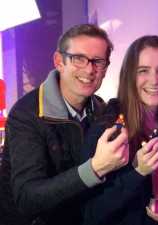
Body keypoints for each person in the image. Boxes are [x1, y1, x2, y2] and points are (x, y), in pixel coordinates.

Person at [0, 24, 129, 225]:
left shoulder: (101, 110)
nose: (89, 69)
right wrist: (95, 168)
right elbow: (27, 198)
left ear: (106, 68)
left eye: (98, 61)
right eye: (78, 59)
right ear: (59, 62)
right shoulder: (26, 114)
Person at [81, 35, 158, 225]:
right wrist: (138, 172)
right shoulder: (107, 131)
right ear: (130, 76)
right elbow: (90, 215)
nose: (154, 80)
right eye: (143, 71)